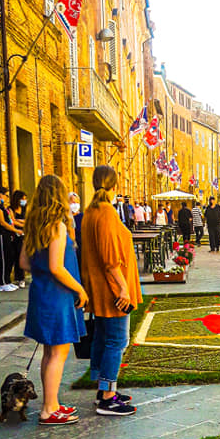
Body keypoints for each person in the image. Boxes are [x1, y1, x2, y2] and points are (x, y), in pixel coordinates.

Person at [20, 175, 87, 426]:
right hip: (57, 295)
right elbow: (57, 267)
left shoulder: (33, 224)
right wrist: (80, 289)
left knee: (49, 352)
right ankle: (49, 409)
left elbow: (24, 263)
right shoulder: (57, 226)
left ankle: (53, 402)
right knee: (58, 353)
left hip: (40, 292)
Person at [80, 165, 142, 417]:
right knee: (117, 340)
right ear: (114, 186)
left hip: (99, 286)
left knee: (104, 338)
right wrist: (123, 289)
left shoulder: (90, 212)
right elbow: (110, 260)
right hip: (111, 290)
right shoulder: (105, 212)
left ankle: (103, 389)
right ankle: (107, 396)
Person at [0, 186, 22, 291]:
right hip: (0, 234)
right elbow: (2, 222)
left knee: (9, 256)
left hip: (7, 235)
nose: (7, 198)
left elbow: (10, 220)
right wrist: (16, 230)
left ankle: (7, 280)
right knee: (3, 257)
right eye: (6, 195)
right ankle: (2, 282)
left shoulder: (3, 207)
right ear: (0, 195)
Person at [10, 190, 28, 288]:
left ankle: (22, 278)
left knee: (22, 254)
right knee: (15, 256)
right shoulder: (11, 209)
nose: (24, 201)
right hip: (15, 234)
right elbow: (12, 221)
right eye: (22, 199)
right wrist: (21, 222)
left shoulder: (24, 209)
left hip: (23, 234)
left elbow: (28, 220)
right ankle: (16, 277)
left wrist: (19, 221)